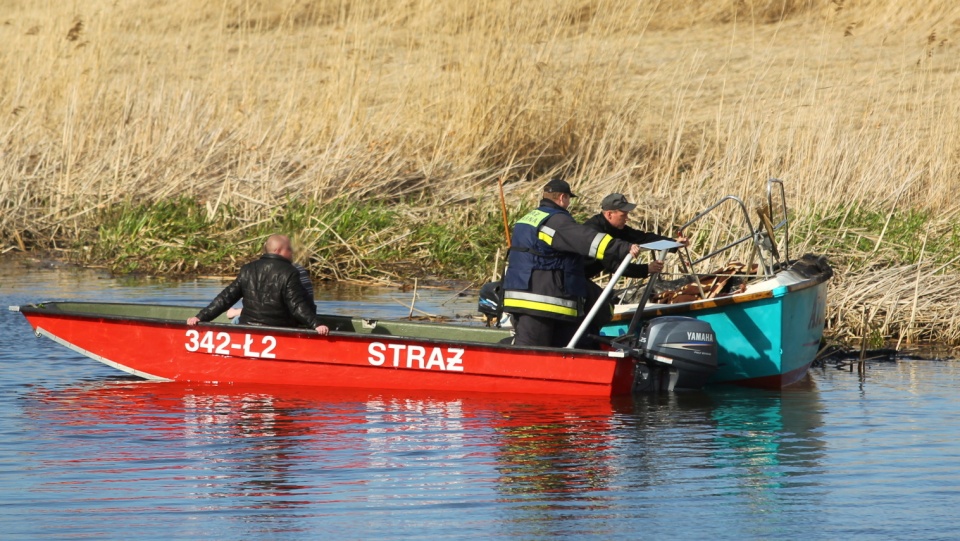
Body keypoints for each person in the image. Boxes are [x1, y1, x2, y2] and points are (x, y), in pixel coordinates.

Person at [502, 177, 641, 348]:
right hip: (542, 301)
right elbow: (585, 240)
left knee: (538, 350)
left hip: (521, 293)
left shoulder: (528, 218)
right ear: (562, 198)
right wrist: (621, 247)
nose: (568, 203)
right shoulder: (557, 221)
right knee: (533, 355)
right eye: (568, 199)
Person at [580, 193, 688, 343]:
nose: (627, 218)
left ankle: (591, 338)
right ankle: (588, 341)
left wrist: (673, 244)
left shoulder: (615, 227)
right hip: (572, 276)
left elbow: (642, 237)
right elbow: (615, 266)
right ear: (610, 214)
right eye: (623, 214)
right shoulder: (595, 231)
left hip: (582, 277)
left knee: (604, 305)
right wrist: (646, 269)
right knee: (603, 306)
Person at [187, 234, 329, 335]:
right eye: (289, 249)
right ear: (278, 251)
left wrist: (201, 317)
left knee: (235, 319)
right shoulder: (290, 272)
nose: (292, 253)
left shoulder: (248, 268)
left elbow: (226, 297)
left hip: (247, 327)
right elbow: (297, 305)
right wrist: (316, 324)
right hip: (279, 329)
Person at [226, 263, 315, 321]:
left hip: (290, 319)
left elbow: (272, 310)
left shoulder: (281, 273)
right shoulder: (297, 268)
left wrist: (238, 312)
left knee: (237, 320)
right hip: (307, 314)